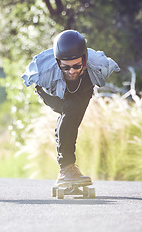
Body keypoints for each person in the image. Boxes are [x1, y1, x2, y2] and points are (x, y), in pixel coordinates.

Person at [22, 30, 120, 185]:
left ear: (85, 59)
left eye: (76, 65)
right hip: (52, 92)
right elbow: (28, 78)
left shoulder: (99, 64)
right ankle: (66, 169)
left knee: (71, 122)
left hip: (84, 88)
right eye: (65, 67)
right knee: (71, 108)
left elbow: (112, 68)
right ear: (58, 62)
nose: (71, 71)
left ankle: (68, 169)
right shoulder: (44, 72)